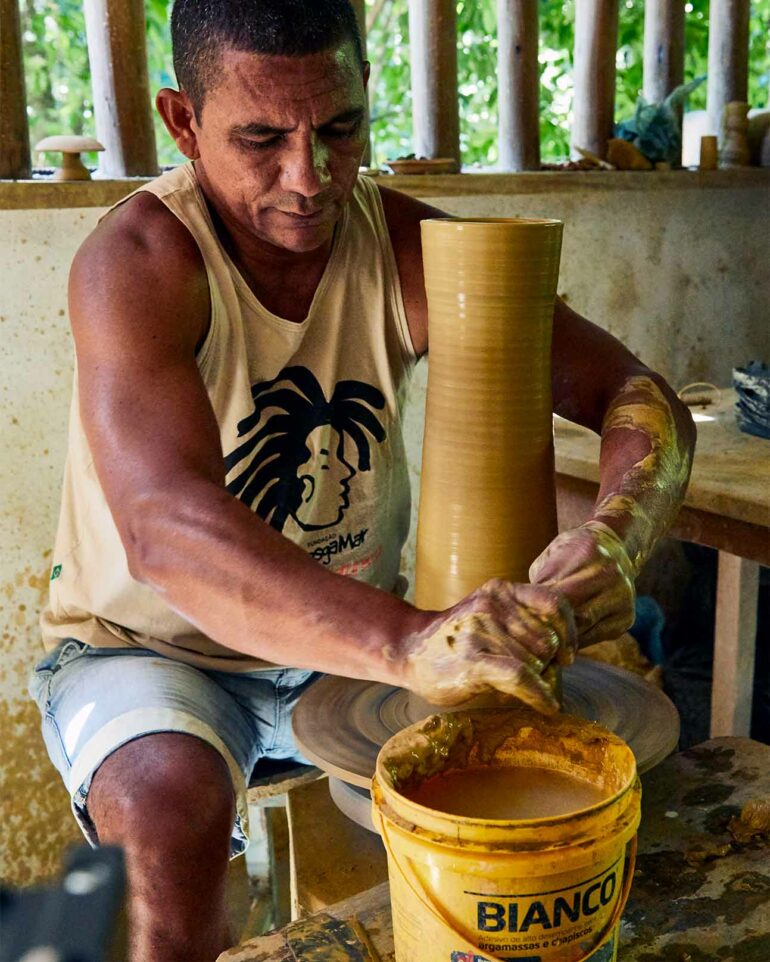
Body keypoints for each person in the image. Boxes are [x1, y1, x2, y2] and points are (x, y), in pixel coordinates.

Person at [29, 1, 695, 959]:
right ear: (182, 121)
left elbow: (639, 395)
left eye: (339, 129)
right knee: (165, 830)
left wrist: (618, 539)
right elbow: (165, 528)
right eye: (262, 139)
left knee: (566, 791)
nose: (310, 177)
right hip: (153, 648)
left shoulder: (404, 247)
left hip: (354, 642)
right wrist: (413, 642)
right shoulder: (139, 262)